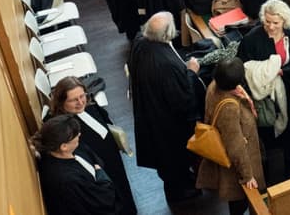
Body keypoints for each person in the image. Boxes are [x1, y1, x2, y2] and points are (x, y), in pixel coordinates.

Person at [128, 12, 203, 202]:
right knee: (174, 158)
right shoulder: (166, 64)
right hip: (167, 123)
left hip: (150, 111)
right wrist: (191, 72)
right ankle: (182, 191)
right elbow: (182, 99)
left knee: (166, 159)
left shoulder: (140, 42)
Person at [236, 0, 290, 179]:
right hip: (263, 94)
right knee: (267, 129)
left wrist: (282, 71)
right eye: (267, 22)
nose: (271, 27)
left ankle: (288, 158)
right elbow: (243, 66)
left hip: (288, 88)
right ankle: (266, 163)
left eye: (276, 22)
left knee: (289, 126)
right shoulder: (251, 39)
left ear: (285, 21)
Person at [48, 77, 137, 214]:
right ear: (61, 103)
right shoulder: (64, 129)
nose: (80, 102)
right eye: (73, 100)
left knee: (123, 191)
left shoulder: (90, 107)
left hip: (112, 159)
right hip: (98, 170)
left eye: (82, 96)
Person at [196, 57, 265, 215]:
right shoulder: (229, 108)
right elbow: (236, 147)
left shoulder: (214, 86)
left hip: (236, 160)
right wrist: (248, 176)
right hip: (237, 170)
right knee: (240, 204)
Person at [32, 115, 121, 215]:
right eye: (76, 135)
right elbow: (102, 201)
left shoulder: (57, 151)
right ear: (64, 146)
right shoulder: (68, 179)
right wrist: (101, 174)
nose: (79, 134)